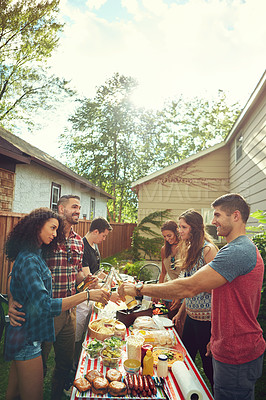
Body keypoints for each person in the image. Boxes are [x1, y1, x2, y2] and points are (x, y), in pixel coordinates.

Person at [118, 194, 266, 400]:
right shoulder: (234, 250)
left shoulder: (238, 251)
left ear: (236, 216)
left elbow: (190, 286)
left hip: (237, 354)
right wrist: (216, 338)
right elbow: (223, 299)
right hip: (227, 346)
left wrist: (139, 289)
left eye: (217, 215)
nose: (213, 221)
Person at [5, 208, 110, 400]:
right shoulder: (30, 259)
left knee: (13, 394)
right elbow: (44, 305)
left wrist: (85, 283)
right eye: (52, 228)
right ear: (37, 226)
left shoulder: (36, 253)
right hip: (28, 337)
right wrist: (87, 295)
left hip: (26, 332)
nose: (54, 234)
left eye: (57, 230)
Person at [173, 209, 218, 390]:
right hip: (191, 317)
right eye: (179, 226)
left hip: (207, 320)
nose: (180, 230)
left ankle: (216, 393)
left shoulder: (208, 250)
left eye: (183, 227)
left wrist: (216, 330)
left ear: (195, 229)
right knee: (185, 360)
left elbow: (217, 288)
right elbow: (190, 287)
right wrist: (181, 313)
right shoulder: (191, 248)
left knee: (209, 368)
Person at [73, 217, 113, 369]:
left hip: (92, 296)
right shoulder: (83, 246)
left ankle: (83, 360)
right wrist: (106, 292)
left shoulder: (94, 246)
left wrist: (107, 278)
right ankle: (74, 363)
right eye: (103, 235)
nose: (104, 239)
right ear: (96, 231)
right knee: (78, 333)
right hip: (82, 298)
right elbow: (88, 279)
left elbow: (96, 272)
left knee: (87, 332)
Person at [155, 220, 185, 335]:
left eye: (169, 235)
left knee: (179, 325)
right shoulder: (164, 249)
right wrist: (157, 291)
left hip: (182, 293)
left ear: (176, 232)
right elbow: (163, 273)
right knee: (167, 325)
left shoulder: (185, 248)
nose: (167, 239)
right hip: (168, 291)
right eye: (165, 236)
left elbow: (186, 274)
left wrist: (179, 295)